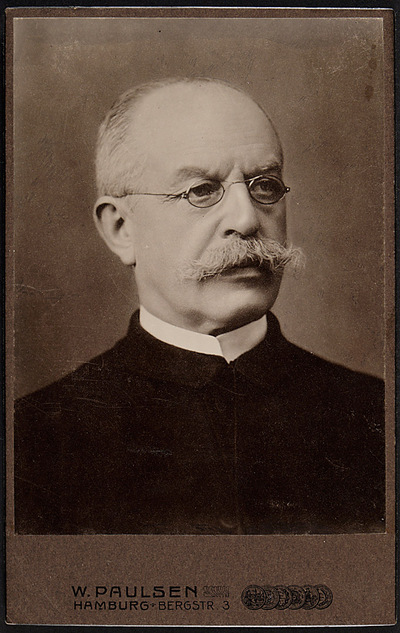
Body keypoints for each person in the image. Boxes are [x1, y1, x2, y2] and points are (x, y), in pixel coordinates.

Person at [14, 78, 385, 535]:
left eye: (265, 185)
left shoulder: (375, 415)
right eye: (202, 191)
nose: (247, 219)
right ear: (121, 229)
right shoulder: (33, 438)